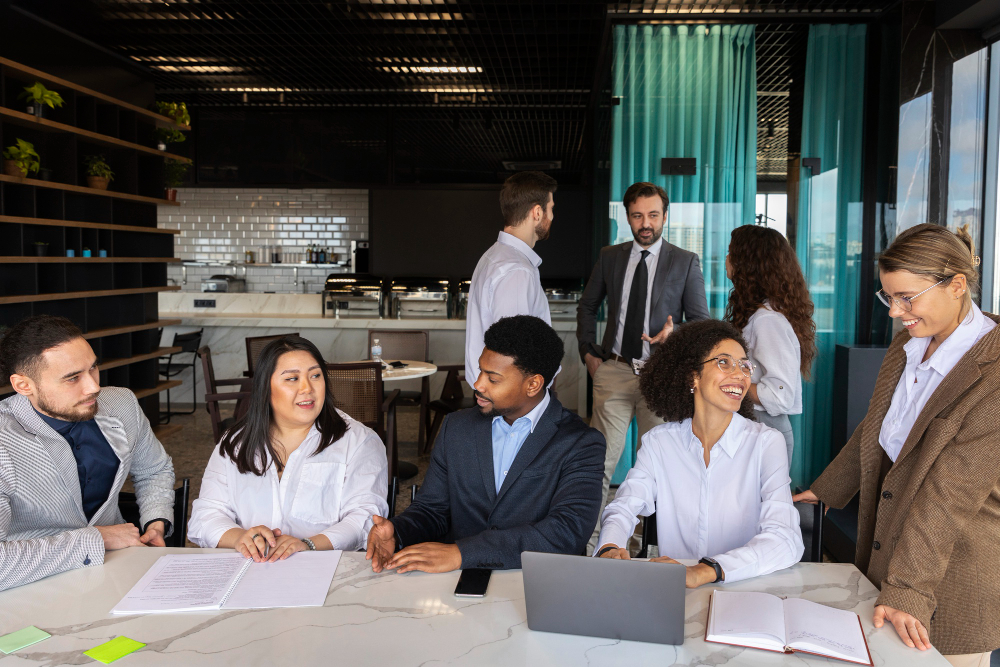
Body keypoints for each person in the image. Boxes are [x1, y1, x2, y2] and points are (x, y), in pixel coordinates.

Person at [794, 223, 1000, 666]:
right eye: (888, 296)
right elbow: (880, 425)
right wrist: (828, 489)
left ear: (957, 285)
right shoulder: (909, 340)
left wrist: (910, 587)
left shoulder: (995, 370)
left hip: (953, 572)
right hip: (894, 550)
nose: (894, 312)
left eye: (907, 297)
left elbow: (951, 491)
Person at [367, 315, 605, 574]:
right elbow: (432, 509)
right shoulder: (456, 428)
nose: (477, 384)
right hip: (457, 585)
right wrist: (399, 532)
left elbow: (566, 532)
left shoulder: (580, 442)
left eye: (493, 379)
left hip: (536, 582)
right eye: (480, 370)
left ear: (533, 384)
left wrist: (464, 553)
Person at [596, 319, 803, 587]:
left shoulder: (766, 443)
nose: (740, 375)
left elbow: (786, 539)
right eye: (724, 362)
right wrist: (609, 546)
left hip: (744, 590)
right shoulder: (660, 442)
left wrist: (706, 570)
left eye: (744, 365)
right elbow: (624, 505)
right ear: (693, 375)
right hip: (676, 594)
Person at [577, 181, 710, 551]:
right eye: (638, 215)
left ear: (665, 216)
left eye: (653, 215)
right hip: (615, 371)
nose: (645, 223)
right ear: (628, 218)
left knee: (657, 468)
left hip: (661, 376)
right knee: (599, 461)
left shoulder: (684, 261)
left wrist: (676, 333)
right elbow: (587, 306)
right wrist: (589, 354)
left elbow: (701, 322)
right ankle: (589, 545)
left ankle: (646, 546)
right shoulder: (610, 256)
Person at [0, 315, 175, 591]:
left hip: (120, 568)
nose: (94, 386)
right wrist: (97, 539)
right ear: (24, 385)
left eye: (93, 368)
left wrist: (155, 520)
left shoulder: (122, 403)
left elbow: (154, 470)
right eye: (73, 378)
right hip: (32, 586)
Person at [189, 336, 388, 560]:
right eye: (292, 378)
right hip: (251, 571)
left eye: (315, 375)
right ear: (266, 387)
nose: (307, 388)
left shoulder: (359, 441)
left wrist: (308, 545)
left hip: (326, 572)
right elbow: (205, 516)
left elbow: (364, 520)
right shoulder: (235, 443)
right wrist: (239, 538)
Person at [724, 224, 816, 465]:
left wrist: (726, 385)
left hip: (764, 432)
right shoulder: (760, 315)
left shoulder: (767, 321)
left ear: (748, 264)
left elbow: (779, 396)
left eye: (731, 252)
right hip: (752, 428)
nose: (726, 259)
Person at [465, 171, 558, 387]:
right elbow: (513, 353)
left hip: (497, 393)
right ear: (537, 212)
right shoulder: (517, 270)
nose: (552, 216)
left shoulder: (494, 256)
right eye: (551, 209)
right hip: (513, 398)